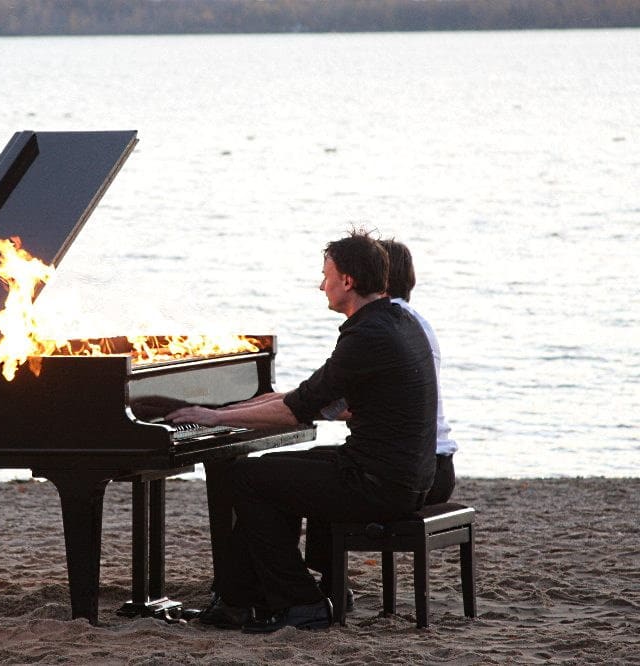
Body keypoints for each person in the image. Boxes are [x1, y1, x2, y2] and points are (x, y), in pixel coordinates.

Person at [166, 230, 437, 633]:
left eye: (326, 275)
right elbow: (314, 398)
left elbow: (297, 410)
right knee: (269, 473)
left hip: (378, 482)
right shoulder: (396, 322)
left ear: (347, 282)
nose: (321, 284)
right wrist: (226, 409)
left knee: (248, 477)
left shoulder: (367, 335)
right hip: (405, 475)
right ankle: (238, 601)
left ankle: (301, 602)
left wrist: (214, 418)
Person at [321, 239, 458, 504]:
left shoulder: (386, 328)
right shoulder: (409, 321)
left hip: (417, 471)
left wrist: (292, 406)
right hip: (433, 465)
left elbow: (335, 402)